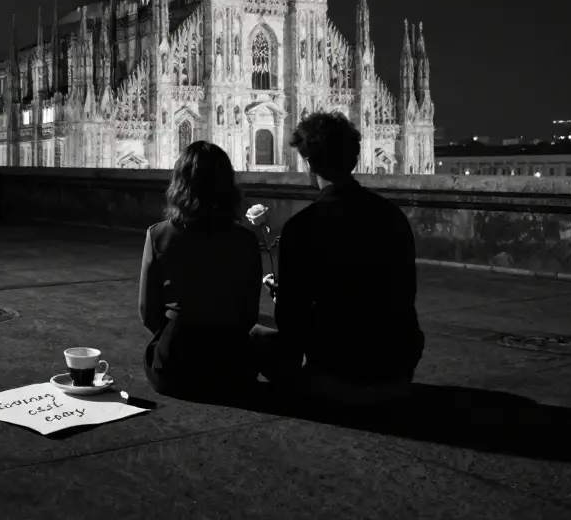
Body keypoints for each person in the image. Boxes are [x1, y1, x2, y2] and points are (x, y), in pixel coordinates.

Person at [251, 111, 426, 405]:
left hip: (337, 376)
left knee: (252, 333)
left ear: (309, 163)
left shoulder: (302, 226)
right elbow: (406, 292)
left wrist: (282, 296)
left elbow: (292, 322)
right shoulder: (392, 215)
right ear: (355, 159)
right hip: (397, 371)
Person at [141, 141, 264, 398]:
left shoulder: (159, 234)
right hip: (232, 367)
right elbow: (249, 313)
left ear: (180, 184)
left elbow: (148, 311)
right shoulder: (246, 240)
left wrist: (176, 332)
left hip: (174, 367)